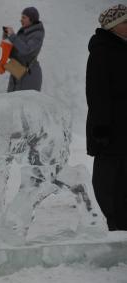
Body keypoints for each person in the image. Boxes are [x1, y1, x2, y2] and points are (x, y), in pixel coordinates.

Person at [86, 4, 127, 231]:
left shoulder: (122, 46)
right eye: (126, 22)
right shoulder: (103, 50)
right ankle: (118, 227)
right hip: (110, 132)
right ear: (114, 26)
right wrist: (101, 129)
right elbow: (97, 93)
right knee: (110, 183)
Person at [4, 7, 45, 92]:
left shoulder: (37, 34)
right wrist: (6, 39)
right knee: (10, 102)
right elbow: (15, 53)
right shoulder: (23, 32)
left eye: (24, 17)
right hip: (17, 70)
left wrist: (12, 36)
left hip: (29, 75)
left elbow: (26, 50)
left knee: (24, 104)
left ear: (31, 19)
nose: (21, 20)